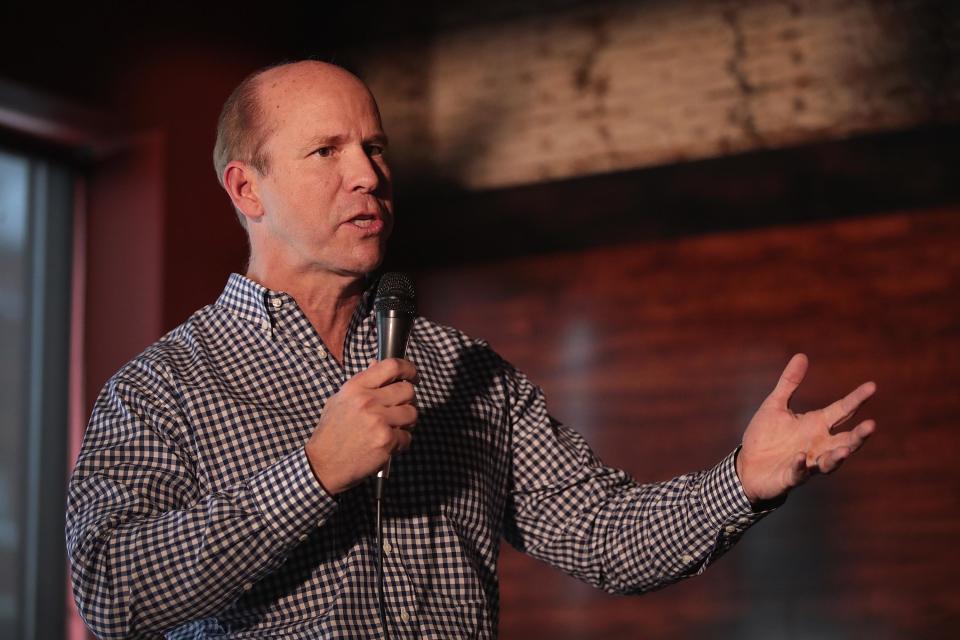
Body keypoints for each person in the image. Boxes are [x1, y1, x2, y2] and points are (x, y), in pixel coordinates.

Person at [65, 61, 877, 639]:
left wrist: (743, 480)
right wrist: (311, 474)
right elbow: (112, 593)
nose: (368, 176)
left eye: (375, 148)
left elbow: (602, 535)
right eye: (327, 152)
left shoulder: (469, 373)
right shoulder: (161, 388)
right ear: (248, 190)